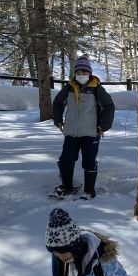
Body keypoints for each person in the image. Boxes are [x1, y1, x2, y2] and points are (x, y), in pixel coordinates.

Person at [51, 55, 115, 200]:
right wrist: (58, 121)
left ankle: (89, 190)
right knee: (66, 160)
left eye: (84, 72)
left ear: (90, 73)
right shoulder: (69, 88)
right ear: (75, 73)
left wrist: (103, 127)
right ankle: (67, 187)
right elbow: (57, 103)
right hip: (71, 133)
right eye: (78, 72)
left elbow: (109, 107)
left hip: (91, 133)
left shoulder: (96, 88)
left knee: (89, 161)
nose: (81, 75)